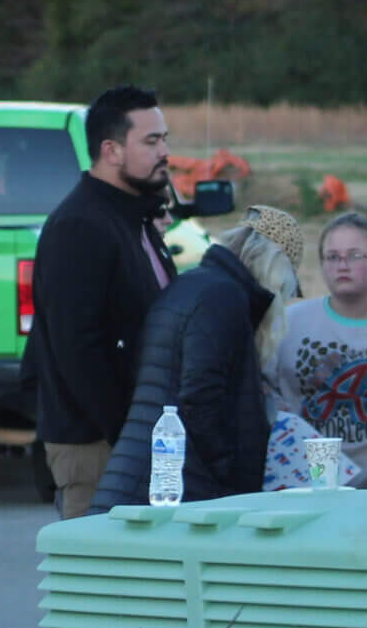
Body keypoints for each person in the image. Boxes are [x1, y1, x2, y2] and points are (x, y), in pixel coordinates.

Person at [90, 209, 307, 513]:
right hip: (175, 491)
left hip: (140, 481)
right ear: (275, 266)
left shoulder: (194, 285)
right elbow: (200, 398)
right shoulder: (223, 298)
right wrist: (229, 472)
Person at [28, 84, 178, 519]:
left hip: (138, 438)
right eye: (151, 141)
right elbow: (79, 349)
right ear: (111, 150)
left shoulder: (134, 217)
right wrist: (126, 433)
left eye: (164, 138)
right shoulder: (80, 226)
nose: (164, 151)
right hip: (96, 446)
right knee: (101, 580)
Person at [267, 213, 367, 489]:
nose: (342, 265)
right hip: (307, 484)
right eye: (332, 257)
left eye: (355, 256)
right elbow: (261, 389)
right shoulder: (289, 322)